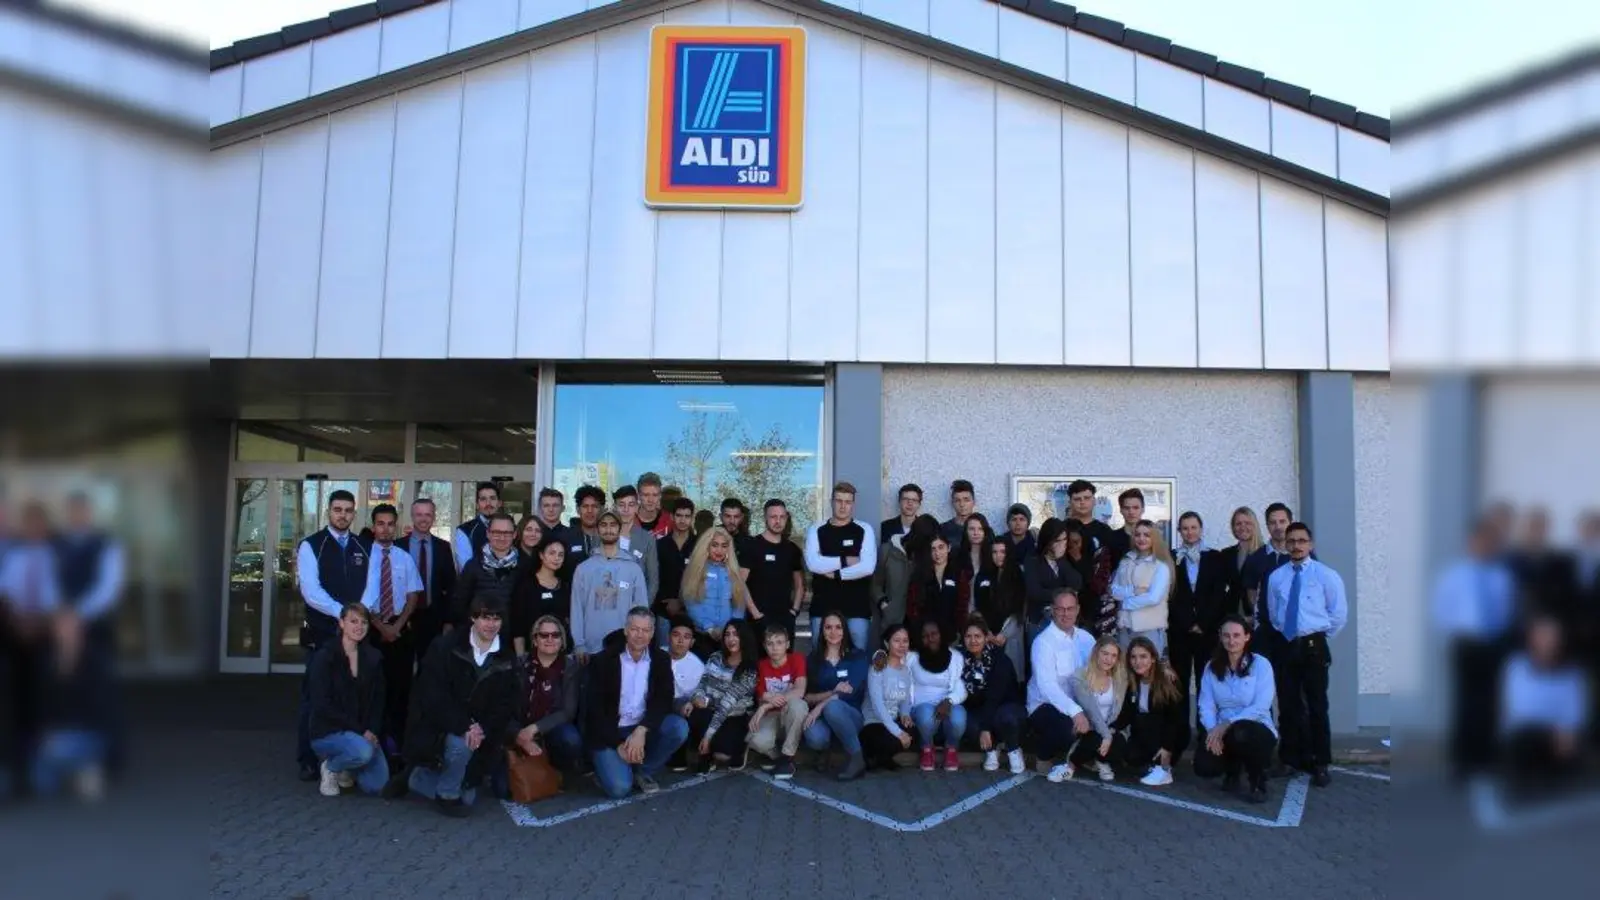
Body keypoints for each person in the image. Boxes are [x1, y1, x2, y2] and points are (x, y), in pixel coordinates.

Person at [402, 597, 522, 816]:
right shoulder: (445, 646)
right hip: (440, 726)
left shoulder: (507, 657)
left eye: (497, 618)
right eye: (486, 617)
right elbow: (432, 694)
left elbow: (505, 704)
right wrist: (465, 725)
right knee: (461, 743)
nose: (491, 624)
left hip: (482, 733)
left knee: (468, 796)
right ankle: (447, 796)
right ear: (473, 618)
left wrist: (481, 728)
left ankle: (418, 778)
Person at [1433, 514, 1516, 780]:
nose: (1485, 546)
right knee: (1465, 703)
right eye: (1481, 541)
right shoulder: (1455, 576)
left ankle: (1486, 759)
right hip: (1466, 645)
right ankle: (1463, 761)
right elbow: (1441, 610)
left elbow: (1508, 610)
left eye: (1490, 542)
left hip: (1495, 644)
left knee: (1491, 702)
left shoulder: (1501, 577)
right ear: (1471, 542)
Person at [294, 489, 368, 782]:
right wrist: (345, 614)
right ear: (328, 512)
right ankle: (308, 759)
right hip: (323, 634)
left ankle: (348, 758)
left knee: (353, 697)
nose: (343, 515)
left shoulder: (364, 547)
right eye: (337, 509)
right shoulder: (312, 546)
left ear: (354, 513)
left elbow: (371, 586)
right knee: (315, 697)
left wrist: (357, 620)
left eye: (348, 510)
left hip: (357, 636)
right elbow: (311, 592)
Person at [1265, 522, 1346, 787]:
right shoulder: (1277, 577)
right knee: (1288, 705)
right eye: (1292, 541)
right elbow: (1274, 613)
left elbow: (1338, 614)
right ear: (1285, 544)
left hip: (1314, 646)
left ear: (1310, 544)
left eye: (1301, 541)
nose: (1296, 546)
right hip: (1287, 644)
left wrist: (1316, 636)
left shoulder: (1326, 575)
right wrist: (1289, 634)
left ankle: (1320, 762)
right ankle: (1289, 759)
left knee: (1316, 706)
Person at [583, 608, 689, 798]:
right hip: (610, 731)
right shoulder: (603, 661)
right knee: (619, 789)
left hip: (641, 727)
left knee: (678, 727)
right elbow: (594, 711)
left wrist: (642, 730)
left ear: (653, 633)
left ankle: (643, 770)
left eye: (646, 630)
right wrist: (617, 744)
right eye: (634, 629)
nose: (640, 635)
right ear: (625, 630)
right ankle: (608, 767)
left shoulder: (661, 659)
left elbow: (663, 700)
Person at [357, 504, 424, 757]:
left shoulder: (403, 557)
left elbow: (413, 595)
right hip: (371, 630)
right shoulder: (363, 556)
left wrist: (395, 626)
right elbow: (361, 598)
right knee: (372, 688)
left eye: (390, 524)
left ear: (396, 526)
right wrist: (380, 626)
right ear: (373, 526)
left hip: (399, 631)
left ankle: (397, 745)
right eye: (380, 523)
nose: (385, 529)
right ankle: (371, 739)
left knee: (400, 689)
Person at [306, 603, 389, 798]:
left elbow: (379, 700)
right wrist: (362, 731)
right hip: (328, 731)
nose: (359, 627)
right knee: (363, 752)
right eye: (353, 621)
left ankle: (347, 764)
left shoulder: (373, 658)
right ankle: (331, 767)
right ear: (341, 623)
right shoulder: (325, 658)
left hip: (362, 733)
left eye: (364, 622)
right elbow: (321, 705)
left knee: (377, 785)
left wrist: (373, 731)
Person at [1195, 616, 1277, 804]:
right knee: (1203, 767)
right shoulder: (1211, 667)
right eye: (1226, 636)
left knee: (1241, 733)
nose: (1231, 641)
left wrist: (1227, 724)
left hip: (1256, 728)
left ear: (1247, 637)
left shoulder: (1261, 665)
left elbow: (1261, 706)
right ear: (1220, 637)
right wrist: (1212, 732)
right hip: (1222, 729)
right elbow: (1206, 705)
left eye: (1237, 635)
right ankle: (1232, 770)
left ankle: (1258, 780)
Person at [1500, 614, 1587, 790]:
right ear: (1532, 639)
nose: (1548, 642)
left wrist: (1565, 732)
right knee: (1524, 741)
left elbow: (1575, 714)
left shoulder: (1572, 674)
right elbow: (1519, 712)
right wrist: (1551, 729)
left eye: (1553, 637)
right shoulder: (1517, 668)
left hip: (1559, 738)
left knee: (1571, 745)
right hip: (1526, 736)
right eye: (1543, 636)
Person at [1027, 587, 1098, 782]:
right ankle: (1044, 755)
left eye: (1070, 608)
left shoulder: (1087, 639)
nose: (1065, 614)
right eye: (1060, 609)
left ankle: (1080, 756)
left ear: (1078, 610)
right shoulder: (1043, 643)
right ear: (1052, 610)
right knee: (1068, 727)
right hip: (1045, 705)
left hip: (1079, 703)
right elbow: (1047, 686)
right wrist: (1075, 712)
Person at [569, 510, 650, 663]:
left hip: (624, 648)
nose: (608, 529)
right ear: (597, 529)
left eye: (613, 525)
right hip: (591, 649)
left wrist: (638, 643)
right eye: (603, 525)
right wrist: (579, 643)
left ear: (620, 529)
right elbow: (577, 608)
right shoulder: (583, 569)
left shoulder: (633, 568)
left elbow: (642, 610)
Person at [1170, 513, 1227, 724]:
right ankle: (1180, 736)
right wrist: (1187, 623)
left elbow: (1218, 594)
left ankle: (1207, 732)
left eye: (1193, 527)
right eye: (1185, 528)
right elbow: (1170, 595)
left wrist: (1202, 623)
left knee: (1207, 683)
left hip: (1207, 631)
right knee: (1180, 684)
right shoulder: (1172, 557)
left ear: (1201, 529)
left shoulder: (1215, 557)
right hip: (1180, 632)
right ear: (1179, 531)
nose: (1190, 532)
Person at [805, 482, 877, 650]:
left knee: (857, 658)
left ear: (853, 504)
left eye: (848, 502)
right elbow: (813, 563)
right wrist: (846, 561)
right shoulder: (816, 529)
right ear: (831, 501)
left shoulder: (864, 529)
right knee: (820, 659)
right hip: (822, 607)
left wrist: (836, 574)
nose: (843, 506)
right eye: (839, 501)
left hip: (856, 608)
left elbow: (867, 567)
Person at [509, 615, 584, 774]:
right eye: (544, 635)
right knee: (502, 789)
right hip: (519, 729)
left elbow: (568, 711)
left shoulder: (571, 667)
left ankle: (557, 771)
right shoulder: (520, 665)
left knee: (571, 740)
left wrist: (534, 729)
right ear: (535, 640)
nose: (550, 639)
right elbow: (506, 707)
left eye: (555, 635)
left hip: (551, 728)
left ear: (562, 640)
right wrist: (519, 734)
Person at [801, 612, 869, 780]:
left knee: (833, 707)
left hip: (851, 716)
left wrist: (820, 706)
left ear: (845, 630)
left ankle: (857, 758)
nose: (833, 632)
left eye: (838, 627)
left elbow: (847, 692)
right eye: (828, 627)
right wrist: (831, 692)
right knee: (814, 737)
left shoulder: (857, 656)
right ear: (822, 631)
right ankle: (828, 750)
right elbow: (807, 696)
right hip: (823, 717)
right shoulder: (813, 660)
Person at [685, 620, 757, 773]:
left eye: (736, 634)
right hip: (710, 710)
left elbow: (727, 704)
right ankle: (705, 754)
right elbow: (702, 684)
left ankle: (726, 747)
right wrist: (696, 698)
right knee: (694, 714)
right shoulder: (715, 657)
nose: (731, 639)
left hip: (734, 715)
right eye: (727, 634)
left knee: (723, 755)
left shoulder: (750, 669)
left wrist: (708, 736)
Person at [1116, 636, 1189, 786]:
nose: (1138, 661)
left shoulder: (1168, 680)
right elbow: (1127, 714)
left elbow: (1175, 719)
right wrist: (1110, 729)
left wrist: (1167, 747)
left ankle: (1163, 768)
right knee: (1130, 756)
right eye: (1133, 657)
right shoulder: (1134, 681)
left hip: (1172, 734)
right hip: (1146, 732)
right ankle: (1152, 762)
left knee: (1145, 719)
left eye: (1143, 656)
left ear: (1153, 658)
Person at [959, 615, 1026, 774]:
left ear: (986, 638)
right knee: (969, 723)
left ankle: (1013, 748)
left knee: (1006, 718)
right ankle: (992, 748)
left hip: (1005, 705)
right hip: (980, 708)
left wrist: (985, 728)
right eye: (968, 636)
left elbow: (994, 697)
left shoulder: (999, 659)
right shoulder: (960, 658)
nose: (973, 641)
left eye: (978, 636)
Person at [396, 498, 456, 671]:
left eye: (428, 514)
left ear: (434, 517)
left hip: (433, 618)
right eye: (419, 514)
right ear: (412, 516)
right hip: (402, 618)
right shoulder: (398, 546)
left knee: (430, 668)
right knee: (402, 669)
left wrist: (449, 620)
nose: (423, 519)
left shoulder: (443, 547)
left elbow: (451, 586)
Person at [748, 623, 809, 779]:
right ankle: (777, 756)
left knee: (799, 705)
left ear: (787, 644)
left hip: (788, 713)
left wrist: (766, 705)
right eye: (770, 643)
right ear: (765, 646)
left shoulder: (797, 659)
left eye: (779, 643)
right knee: (755, 740)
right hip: (771, 716)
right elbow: (762, 695)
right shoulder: (761, 665)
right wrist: (766, 702)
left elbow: (800, 690)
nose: (775, 648)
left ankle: (787, 757)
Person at [908, 620, 967, 772]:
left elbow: (960, 687)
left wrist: (948, 701)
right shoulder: (912, 658)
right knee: (926, 715)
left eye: (934, 634)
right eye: (925, 636)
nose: (930, 638)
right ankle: (926, 748)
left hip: (948, 705)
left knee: (959, 718)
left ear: (941, 634)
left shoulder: (955, 657)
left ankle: (951, 749)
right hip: (920, 708)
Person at [680, 526, 753, 649]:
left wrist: (731, 629)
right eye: (715, 545)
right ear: (706, 546)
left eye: (724, 546)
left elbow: (739, 604)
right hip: (702, 634)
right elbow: (691, 602)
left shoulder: (733, 571)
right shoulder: (696, 569)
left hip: (729, 637)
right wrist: (709, 628)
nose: (719, 550)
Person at [742, 500, 806, 638]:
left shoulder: (792, 549)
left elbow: (799, 585)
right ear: (765, 518)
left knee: (785, 659)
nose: (778, 521)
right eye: (773, 517)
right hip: (757, 620)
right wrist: (755, 613)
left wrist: (794, 611)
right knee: (758, 659)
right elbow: (740, 583)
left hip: (785, 620)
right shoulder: (751, 546)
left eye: (782, 517)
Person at [1108, 520, 1174, 655]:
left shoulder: (1161, 566)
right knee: (1126, 671)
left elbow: (1153, 598)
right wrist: (1133, 591)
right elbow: (1113, 590)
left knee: (1149, 672)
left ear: (1154, 538)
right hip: (1125, 628)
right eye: (1137, 535)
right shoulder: (1126, 561)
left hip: (1148, 629)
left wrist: (1125, 602)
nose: (1141, 538)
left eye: (1147, 535)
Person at [1067, 637, 1127, 782]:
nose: (1109, 659)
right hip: (1088, 728)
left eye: (1114, 656)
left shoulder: (1120, 679)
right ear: (1096, 653)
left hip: (1108, 728)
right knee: (1095, 739)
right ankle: (1072, 762)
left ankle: (1100, 760)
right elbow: (1091, 710)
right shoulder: (1080, 676)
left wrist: (1110, 732)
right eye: (1105, 653)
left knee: (1121, 743)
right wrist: (1106, 735)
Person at [860, 624, 916, 772]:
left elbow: (905, 699)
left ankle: (882, 758)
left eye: (905, 641)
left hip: (892, 721)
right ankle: (873, 756)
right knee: (891, 739)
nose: (901, 645)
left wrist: (905, 714)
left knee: (914, 732)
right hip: (874, 722)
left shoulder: (906, 670)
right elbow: (878, 705)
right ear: (887, 643)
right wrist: (898, 732)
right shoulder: (877, 667)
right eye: (896, 640)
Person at [449, 512, 520, 629]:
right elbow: (460, 603)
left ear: (515, 534)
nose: (502, 537)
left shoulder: (523, 566)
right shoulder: (473, 566)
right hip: (478, 636)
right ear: (488, 534)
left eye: (507, 533)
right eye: (497, 532)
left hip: (512, 637)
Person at [874, 513, 937, 641]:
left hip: (918, 625)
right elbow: (875, 584)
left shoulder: (927, 556)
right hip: (892, 621)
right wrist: (884, 603)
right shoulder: (887, 550)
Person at [973, 536, 1027, 679]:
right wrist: (987, 632)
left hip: (1010, 633)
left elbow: (1020, 608)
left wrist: (1004, 634)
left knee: (1010, 674)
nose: (998, 556)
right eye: (994, 552)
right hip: (986, 633)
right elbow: (975, 605)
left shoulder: (1017, 575)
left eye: (1002, 551)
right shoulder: (982, 575)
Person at [1026, 519, 1083, 636]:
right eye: (1057, 541)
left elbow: (1077, 583)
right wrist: (1064, 595)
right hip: (1040, 621)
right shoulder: (1033, 560)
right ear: (1048, 541)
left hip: (1064, 621)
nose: (1062, 544)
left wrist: (1060, 559)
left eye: (1064, 539)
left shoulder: (1065, 559)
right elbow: (1034, 592)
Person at [511, 538, 568, 656]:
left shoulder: (566, 586)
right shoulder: (526, 585)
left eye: (561, 555)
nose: (557, 558)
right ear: (541, 555)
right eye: (552, 553)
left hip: (560, 653)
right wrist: (521, 658)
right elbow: (518, 625)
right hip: (531, 652)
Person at [906, 534, 967, 641]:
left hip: (951, 633)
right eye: (933, 549)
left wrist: (959, 630)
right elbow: (913, 605)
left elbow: (962, 603)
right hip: (926, 635)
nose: (937, 553)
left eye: (941, 547)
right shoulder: (920, 575)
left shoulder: (958, 573)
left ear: (949, 548)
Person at [654, 498, 697, 646]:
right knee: (664, 655)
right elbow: (654, 578)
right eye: (679, 515)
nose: (683, 520)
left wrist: (681, 601)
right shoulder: (659, 545)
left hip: (693, 611)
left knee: (690, 658)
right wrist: (666, 601)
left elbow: (702, 579)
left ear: (692, 518)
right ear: (672, 517)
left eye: (687, 516)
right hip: (664, 611)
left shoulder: (699, 545)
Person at [665, 617, 706, 771]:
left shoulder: (697, 666)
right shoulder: (656, 655)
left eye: (686, 637)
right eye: (676, 635)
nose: (680, 641)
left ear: (692, 642)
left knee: (695, 710)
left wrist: (692, 701)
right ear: (668, 637)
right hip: (655, 702)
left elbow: (701, 694)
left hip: (681, 706)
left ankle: (684, 753)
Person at [611, 485, 662, 604]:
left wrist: (643, 608)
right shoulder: (602, 536)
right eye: (621, 505)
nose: (626, 510)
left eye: (631, 505)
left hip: (637, 605)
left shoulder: (647, 539)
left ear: (637, 507)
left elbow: (653, 580)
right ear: (614, 507)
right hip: (609, 605)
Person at [1217, 506, 1264, 620]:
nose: (1243, 527)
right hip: (1231, 615)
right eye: (1238, 524)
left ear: (1255, 525)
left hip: (1258, 616)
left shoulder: (1265, 553)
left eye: (1247, 523)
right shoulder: (1226, 554)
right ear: (1233, 528)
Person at [452, 482, 501, 572]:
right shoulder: (464, 530)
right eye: (483, 499)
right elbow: (466, 569)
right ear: (477, 505)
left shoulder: (511, 529)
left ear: (499, 503)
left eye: (492, 498)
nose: (488, 503)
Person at [1064, 480, 1117, 560]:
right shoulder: (1061, 529)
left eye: (1087, 498)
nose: (1082, 502)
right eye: (1077, 499)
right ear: (1070, 502)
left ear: (1094, 501)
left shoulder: (1105, 531)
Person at [956, 513, 995, 581]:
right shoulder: (958, 556)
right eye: (971, 529)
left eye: (980, 529)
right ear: (966, 532)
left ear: (985, 532)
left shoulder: (993, 555)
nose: (976, 533)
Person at [939, 480, 977, 549]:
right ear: (952, 503)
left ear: (974, 502)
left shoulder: (983, 528)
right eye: (957, 500)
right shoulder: (943, 529)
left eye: (966, 500)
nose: (962, 504)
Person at [634, 472, 672, 539]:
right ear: (638, 496)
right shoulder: (628, 521)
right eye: (646, 495)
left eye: (655, 495)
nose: (650, 500)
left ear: (660, 496)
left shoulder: (669, 521)